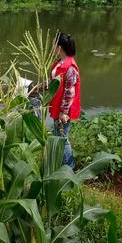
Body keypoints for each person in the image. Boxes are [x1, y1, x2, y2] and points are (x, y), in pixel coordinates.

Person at [49, 33, 81, 168]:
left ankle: (69, 168)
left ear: (59, 47)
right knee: (58, 136)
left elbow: (69, 92)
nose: (51, 47)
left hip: (64, 110)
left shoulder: (70, 67)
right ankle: (59, 164)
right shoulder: (59, 63)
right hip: (56, 106)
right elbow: (55, 83)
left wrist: (64, 111)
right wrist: (41, 86)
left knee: (62, 138)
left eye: (53, 44)